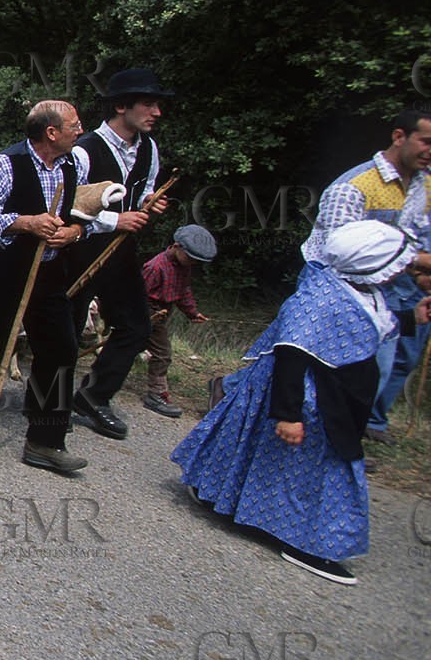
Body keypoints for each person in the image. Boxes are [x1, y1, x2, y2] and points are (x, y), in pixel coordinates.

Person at [172, 220, 421, 584]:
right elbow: (291, 353)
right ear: (371, 264)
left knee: (264, 458)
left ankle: (221, 496)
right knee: (323, 468)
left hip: (333, 393)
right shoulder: (317, 299)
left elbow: (362, 326)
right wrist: (287, 415)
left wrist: (410, 317)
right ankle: (312, 544)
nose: (400, 273)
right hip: (309, 400)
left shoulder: (361, 288)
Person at [0, 100, 91, 473]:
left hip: (47, 270)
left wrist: (74, 231)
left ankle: (45, 439)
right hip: (2, 268)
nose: (81, 129)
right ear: (51, 132)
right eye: (74, 125)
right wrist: (25, 223)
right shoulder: (7, 164)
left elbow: (81, 210)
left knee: (62, 347)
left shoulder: (74, 164)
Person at [301, 110, 431, 442]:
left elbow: (411, 236)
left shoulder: (424, 184)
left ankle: (339, 444)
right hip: (332, 286)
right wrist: (420, 262)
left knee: (375, 370)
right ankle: (230, 391)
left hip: (384, 287)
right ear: (399, 136)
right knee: (306, 366)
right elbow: (342, 253)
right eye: (426, 141)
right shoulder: (354, 186)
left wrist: (417, 274)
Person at [66, 68, 174, 440]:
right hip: (78, 248)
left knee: (136, 326)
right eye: (148, 103)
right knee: (68, 329)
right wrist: (116, 218)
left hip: (121, 250)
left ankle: (94, 396)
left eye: (157, 104)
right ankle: (52, 405)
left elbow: (143, 191)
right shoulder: (84, 150)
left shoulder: (148, 148)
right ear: (121, 106)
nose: (156, 112)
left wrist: (149, 202)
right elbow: (69, 205)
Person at [140, 224, 218, 417]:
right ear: (176, 246)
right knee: (162, 353)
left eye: (196, 261)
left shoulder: (183, 267)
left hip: (163, 313)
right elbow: (138, 294)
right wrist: (142, 317)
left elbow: (183, 291)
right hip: (148, 312)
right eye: (190, 258)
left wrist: (192, 312)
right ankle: (156, 394)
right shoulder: (155, 267)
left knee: (133, 346)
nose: (192, 263)